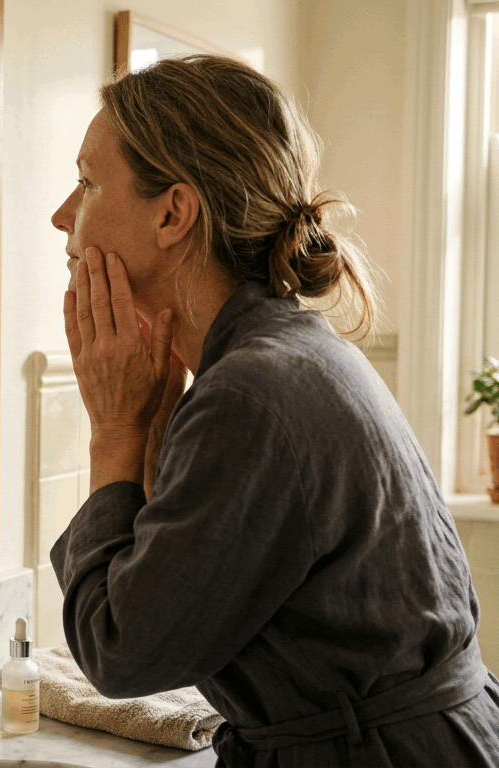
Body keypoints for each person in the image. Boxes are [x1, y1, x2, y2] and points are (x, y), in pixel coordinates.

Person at [48, 55, 499, 766]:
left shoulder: (250, 395)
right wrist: (155, 423)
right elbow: (190, 590)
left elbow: (123, 652)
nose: (62, 216)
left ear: (173, 212)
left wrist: (114, 431)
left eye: (86, 181)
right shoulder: (277, 353)